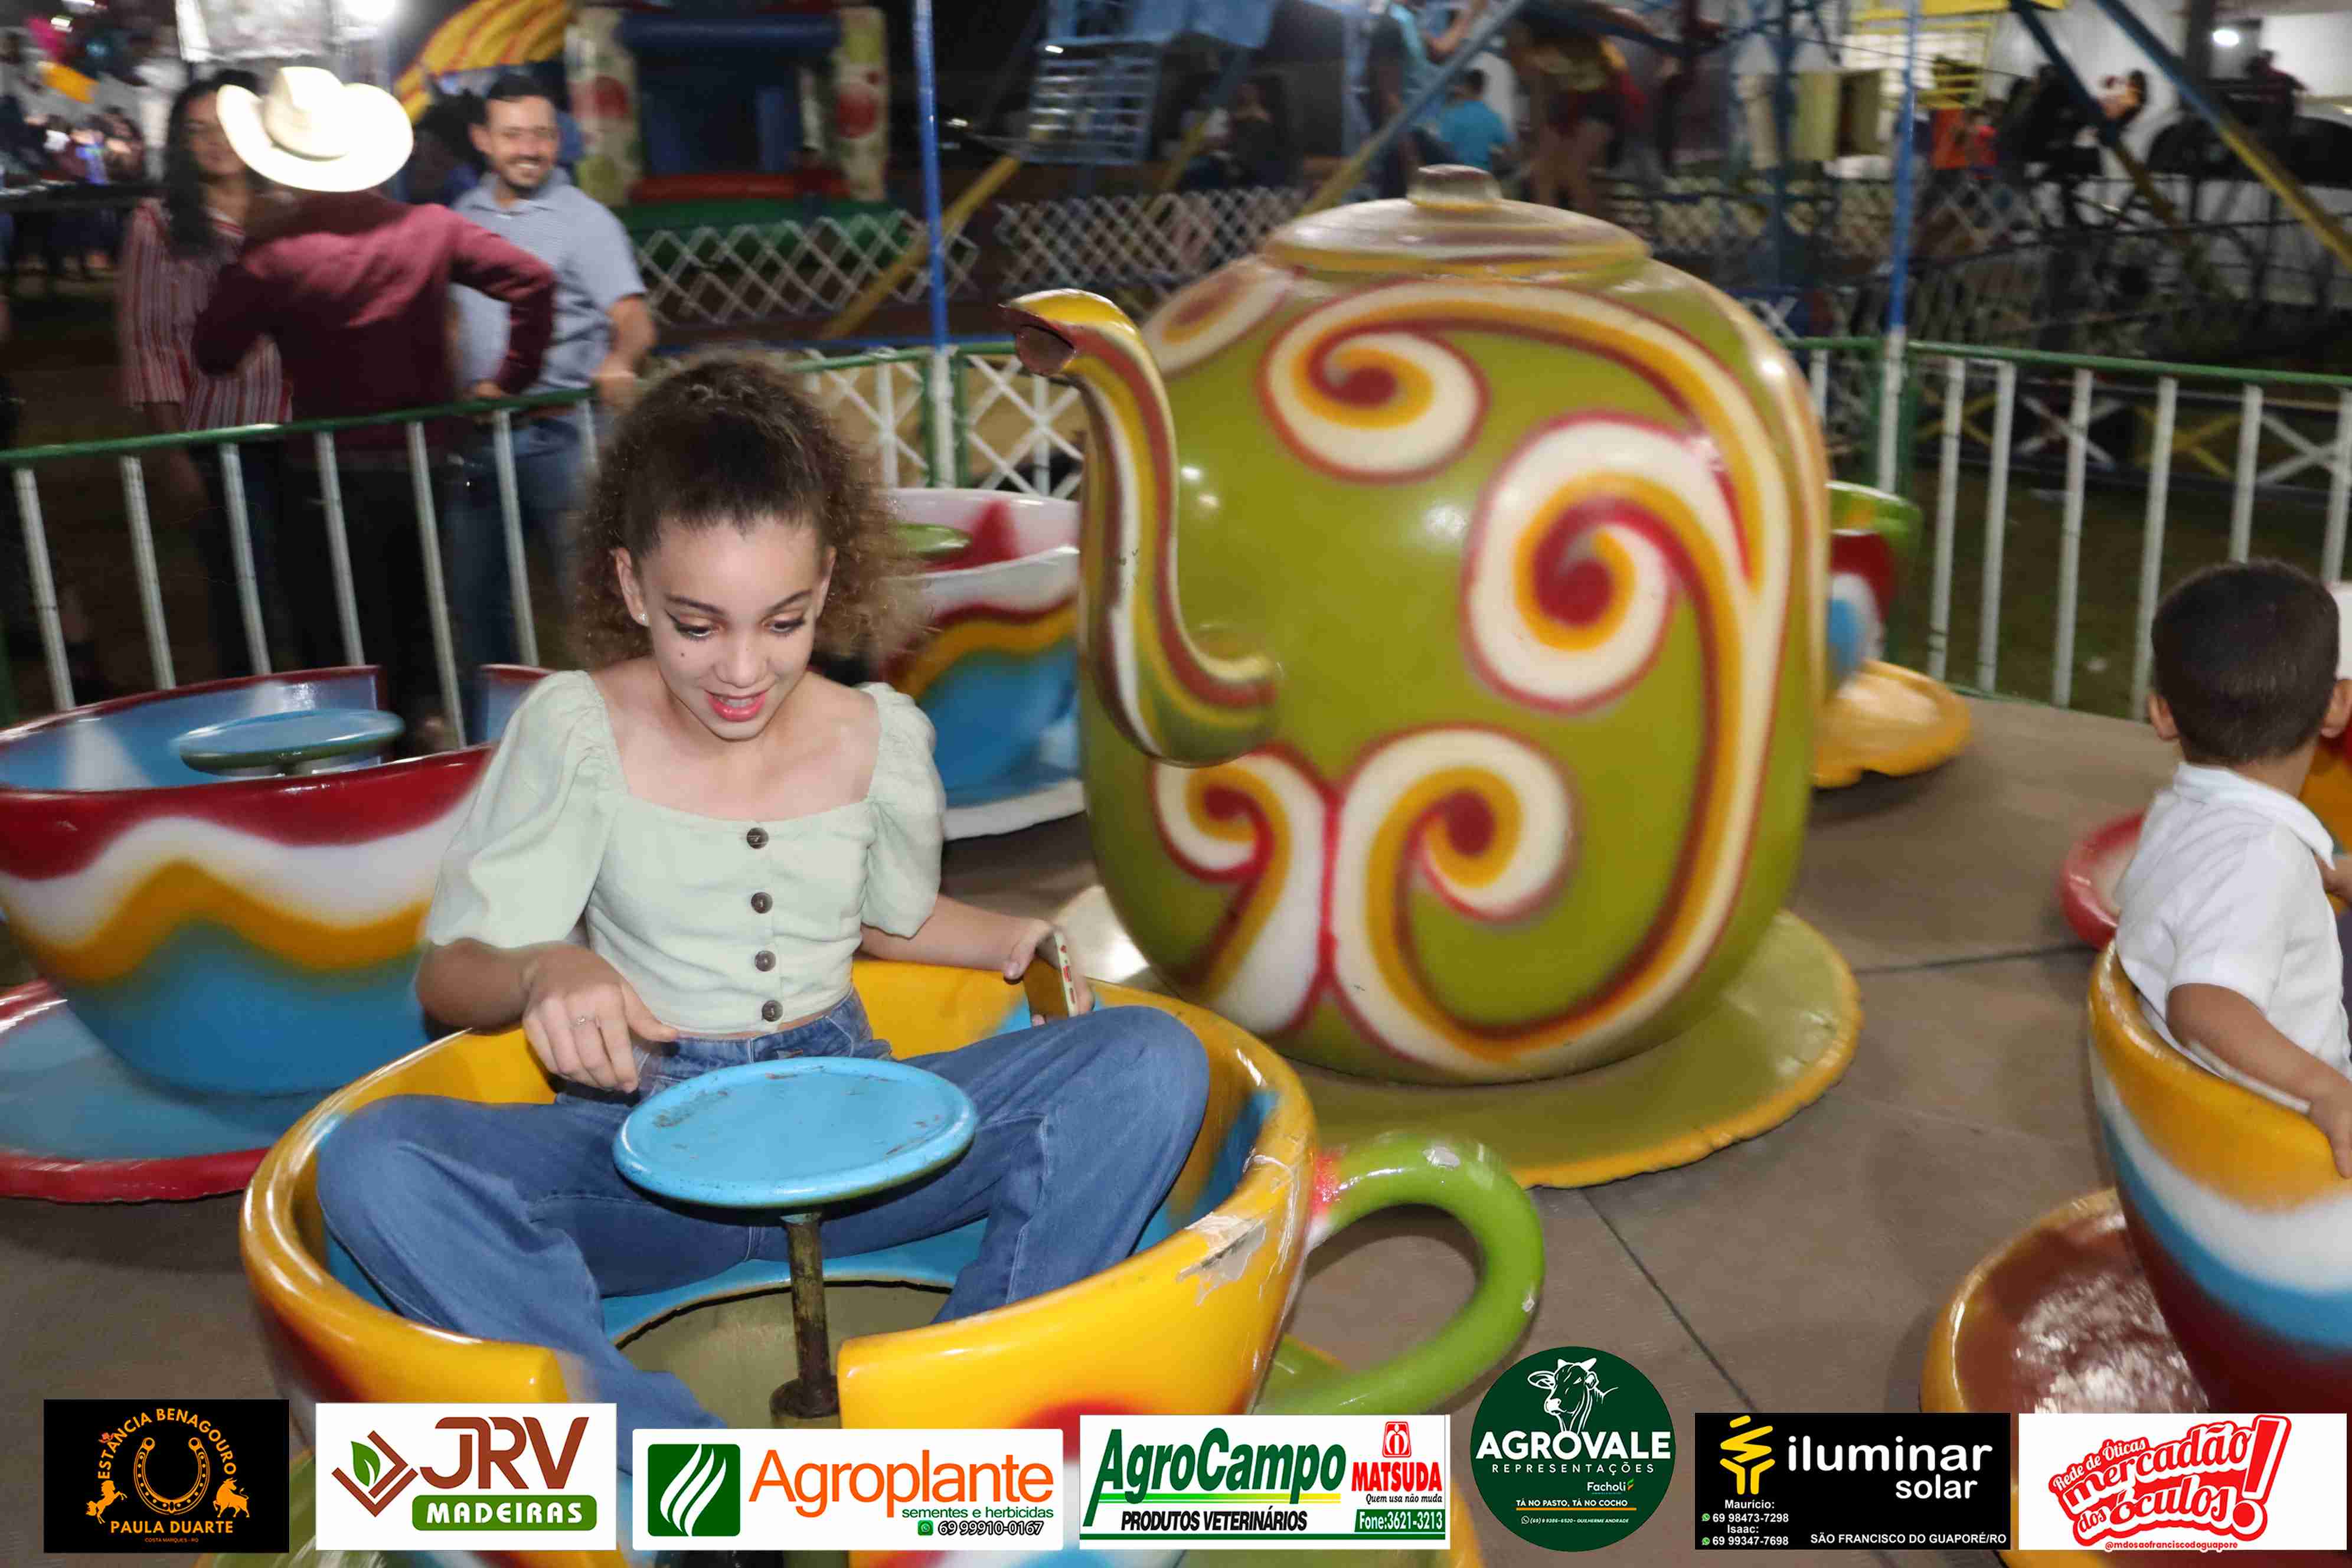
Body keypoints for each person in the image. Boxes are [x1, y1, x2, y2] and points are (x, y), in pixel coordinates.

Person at [312, 356, 1211, 1468]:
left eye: (781, 622)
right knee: (377, 1162)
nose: (742, 670)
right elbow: (449, 976)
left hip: (864, 1146)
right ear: (632, 587)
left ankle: (960, 1408)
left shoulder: (875, 733)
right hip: (641, 1161)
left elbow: (883, 920)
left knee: (1149, 1061)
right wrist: (544, 968)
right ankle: (666, 1468)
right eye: (697, 626)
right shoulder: (578, 730)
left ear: (825, 586)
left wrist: (1008, 937)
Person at [192, 67, 555, 734]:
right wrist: (511, 379)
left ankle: (358, 756)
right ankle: (425, 738)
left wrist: (251, 249)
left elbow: (214, 351)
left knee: (337, 637)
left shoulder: (276, 253)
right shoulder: (430, 228)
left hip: (323, 470)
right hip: (423, 462)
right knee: (421, 623)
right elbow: (533, 280)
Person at [2113, 561, 2352, 1178]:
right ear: (2336, 704)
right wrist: (2328, 1093)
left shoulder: (2186, 813)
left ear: (2163, 714)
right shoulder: (2261, 855)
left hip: (2222, 1090)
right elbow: (2205, 1006)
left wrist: (2327, 875)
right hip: (2291, 1142)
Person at [446, 72, 654, 676]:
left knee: (590, 598)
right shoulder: (461, 217)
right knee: (474, 600)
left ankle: (617, 718)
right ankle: (496, 725)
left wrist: (620, 360)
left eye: (541, 134)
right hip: (476, 442)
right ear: (483, 139)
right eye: (513, 135)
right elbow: (451, 318)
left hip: (563, 438)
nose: (530, 149)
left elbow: (634, 318)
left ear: (558, 140)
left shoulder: (587, 221)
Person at [116, 71, 296, 681]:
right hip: (221, 441)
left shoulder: (296, 206)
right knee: (245, 595)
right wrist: (173, 453)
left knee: (316, 584)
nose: (214, 143)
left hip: (310, 431)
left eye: (226, 127)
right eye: (197, 131)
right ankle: (255, 712)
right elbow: (149, 344)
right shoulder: (158, 223)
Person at [1389, 0, 1492, 191]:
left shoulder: (1407, 19)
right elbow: (1440, 51)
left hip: (1417, 126)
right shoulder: (1396, 21)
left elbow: (1438, 51)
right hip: (1409, 130)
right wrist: (1471, 14)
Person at [1435, 67, 1513, 172]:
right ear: (1483, 89)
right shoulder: (1493, 118)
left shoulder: (1451, 115)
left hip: (1456, 176)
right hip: (1483, 176)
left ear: (1466, 87)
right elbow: (1510, 153)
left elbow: (1443, 150)